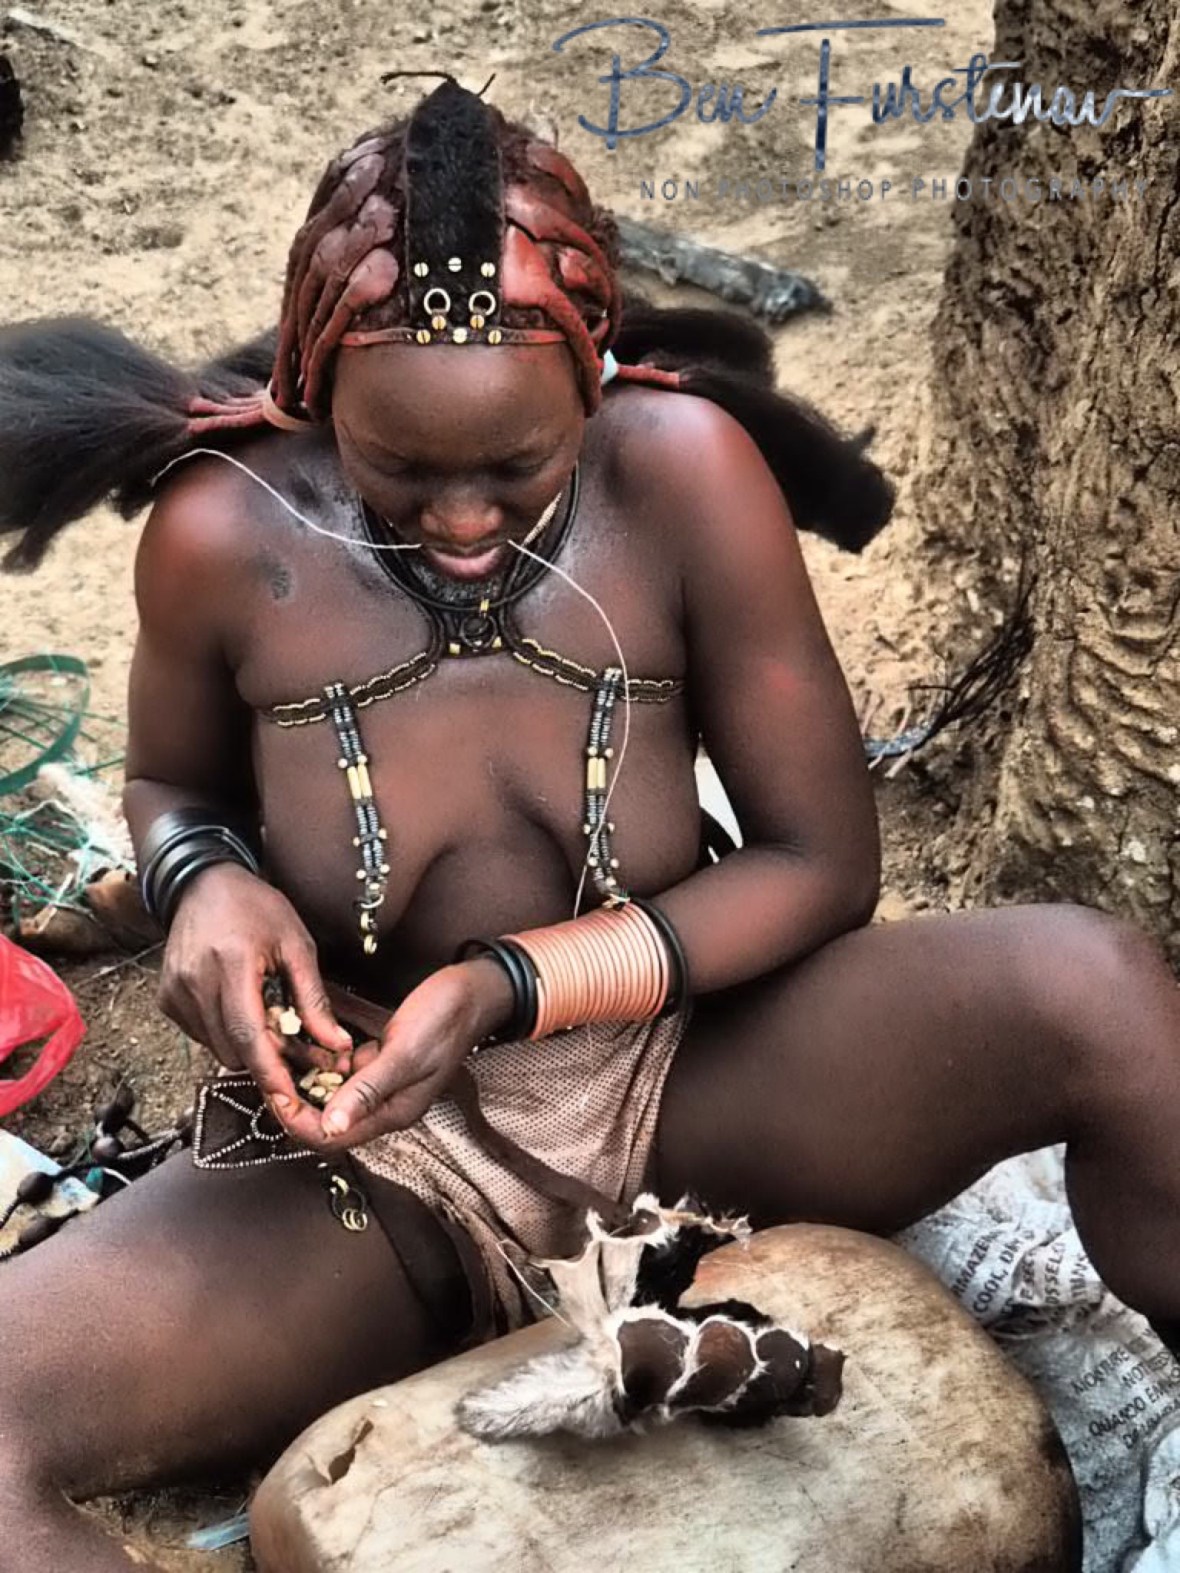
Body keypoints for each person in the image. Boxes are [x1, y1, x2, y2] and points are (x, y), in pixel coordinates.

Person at [1, 76, 1179, 1572]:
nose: (466, 520)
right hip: (372, 1151)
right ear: (315, 391)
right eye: (401, 472)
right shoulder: (223, 534)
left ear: (595, 379)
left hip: (700, 1075)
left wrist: (504, 984)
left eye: (517, 467)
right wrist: (204, 884)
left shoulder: (681, 475)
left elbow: (822, 862)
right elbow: (174, 794)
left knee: (1095, 988)